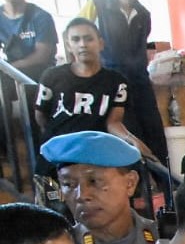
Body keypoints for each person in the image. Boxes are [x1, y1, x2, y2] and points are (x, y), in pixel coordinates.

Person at [40, 131, 155, 244]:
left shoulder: (167, 240)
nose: (82, 195)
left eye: (94, 181)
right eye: (68, 184)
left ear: (130, 183)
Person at [34, 19, 153, 175]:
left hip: (96, 157)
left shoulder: (117, 82)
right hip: (56, 158)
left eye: (88, 39)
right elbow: (41, 116)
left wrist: (132, 140)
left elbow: (113, 122)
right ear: (68, 45)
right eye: (76, 39)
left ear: (100, 43)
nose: (82, 44)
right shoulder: (51, 76)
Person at [78, 0, 167, 166]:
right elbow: (77, 32)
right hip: (110, 78)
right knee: (126, 129)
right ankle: (134, 176)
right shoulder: (97, 4)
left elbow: (142, 44)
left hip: (139, 78)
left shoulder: (144, 14)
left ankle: (162, 177)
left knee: (153, 127)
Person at [0, 0, 55, 81]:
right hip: (8, 76)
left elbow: (42, 56)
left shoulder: (41, 17)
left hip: (41, 76)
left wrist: (9, 68)